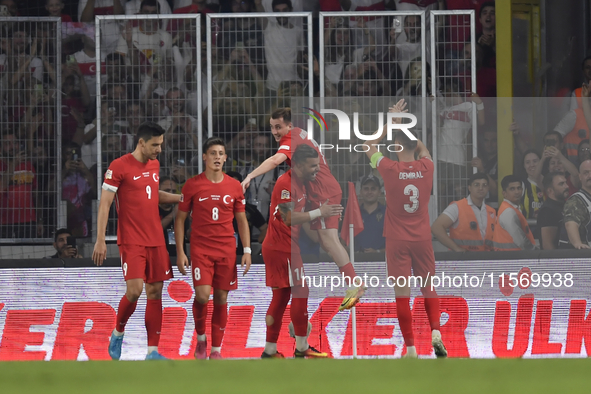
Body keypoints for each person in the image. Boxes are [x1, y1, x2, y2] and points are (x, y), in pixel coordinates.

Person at [241, 107, 364, 311]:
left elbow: (274, 160)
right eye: (272, 127)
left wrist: (249, 177)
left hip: (321, 190)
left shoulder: (290, 139)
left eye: (278, 127)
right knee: (325, 240)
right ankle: (352, 282)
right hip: (323, 189)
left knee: (328, 240)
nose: (275, 132)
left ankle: (356, 285)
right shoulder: (298, 133)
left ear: (289, 125)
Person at [363, 99, 447, 359]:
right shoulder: (427, 167)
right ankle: (435, 331)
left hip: (397, 240)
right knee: (429, 288)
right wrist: (406, 127)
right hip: (422, 238)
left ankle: (410, 348)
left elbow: (369, 145)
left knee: (402, 294)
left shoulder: (389, 168)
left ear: (397, 147)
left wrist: (392, 123)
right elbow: (423, 149)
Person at [92, 122, 181, 361]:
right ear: (141, 142)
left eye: (161, 144)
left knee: (155, 291)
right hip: (131, 240)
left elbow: (153, 195)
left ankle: (152, 352)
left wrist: (182, 198)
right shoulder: (118, 166)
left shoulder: (154, 164)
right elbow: (105, 204)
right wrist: (100, 239)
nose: (159, 149)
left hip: (155, 239)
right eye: (155, 145)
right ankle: (118, 331)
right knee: (135, 290)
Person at [261, 144, 342, 359]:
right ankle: (301, 347)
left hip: (284, 245)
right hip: (281, 247)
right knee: (300, 291)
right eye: (312, 166)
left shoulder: (302, 182)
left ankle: (270, 351)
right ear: (297, 165)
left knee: (281, 297)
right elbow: (288, 218)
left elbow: (302, 216)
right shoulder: (286, 184)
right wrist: (319, 212)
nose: (316, 169)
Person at [175, 137, 251, 360]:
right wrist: (181, 252)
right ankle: (201, 338)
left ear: (226, 158)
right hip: (201, 249)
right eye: (213, 153)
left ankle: (216, 350)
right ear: (205, 157)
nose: (217, 157)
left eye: (221, 153)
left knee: (221, 297)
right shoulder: (192, 185)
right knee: (202, 295)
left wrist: (246, 250)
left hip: (227, 249)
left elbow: (242, 220)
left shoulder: (234, 186)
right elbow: (180, 220)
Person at [431, 172, 495, 252]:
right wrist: (456, 248)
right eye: (476, 185)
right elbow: (436, 228)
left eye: (484, 185)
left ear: (488, 188)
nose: (481, 188)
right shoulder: (457, 207)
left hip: (484, 259)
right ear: (469, 188)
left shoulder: (491, 212)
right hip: (462, 259)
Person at [492, 175, 536, 251]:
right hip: (511, 257)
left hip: (509, 257)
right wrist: (534, 251)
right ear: (504, 193)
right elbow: (521, 241)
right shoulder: (508, 211)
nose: (517, 192)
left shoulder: (511, 208)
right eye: (512, 189)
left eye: (519, 188)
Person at [561, 160, 591, 249]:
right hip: (584, 257)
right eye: (586, 173)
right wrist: (578, 244)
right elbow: (571, 224)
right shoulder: (576, 200)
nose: (590, 176)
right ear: (580, 177)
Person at [355, 174, 386, 253]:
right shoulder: (354, 214)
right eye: (366, 189)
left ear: (379, 192)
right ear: (361, 192)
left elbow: (395, 244)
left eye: (373, 189)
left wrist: (377, 252)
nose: (369, 192)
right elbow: (342, 242)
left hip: (381, 261)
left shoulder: (387, 213)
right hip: (357, 261)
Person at [538, 172, 569, 250]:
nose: (567, 186)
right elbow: (547, 245)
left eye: (566, 183)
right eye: (561, 184)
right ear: (550, 191)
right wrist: (558, 262)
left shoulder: (565, 205)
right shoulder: (548, 210)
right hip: (558, 259)